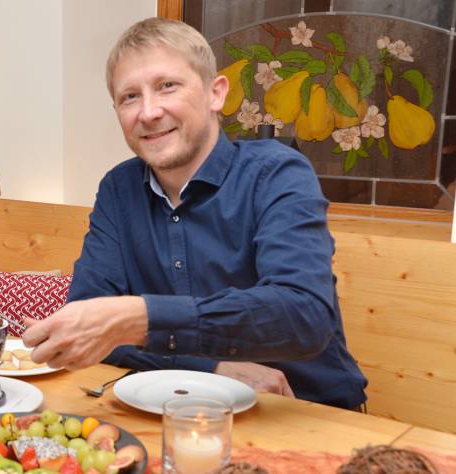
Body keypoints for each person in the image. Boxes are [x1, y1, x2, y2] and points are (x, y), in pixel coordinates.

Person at [22, 17, 367, 409]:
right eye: (130, 96)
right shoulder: (118, 189)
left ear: (215, 93)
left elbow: (303, 316)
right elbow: (92, 325)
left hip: (306, 412)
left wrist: (138, 318)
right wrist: (209, 365)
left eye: (167, 86)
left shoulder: (277, 173)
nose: (149, 112)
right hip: (179, 409)